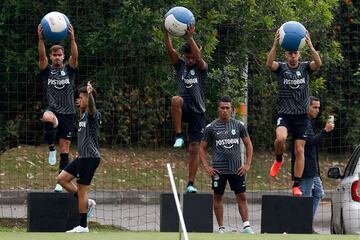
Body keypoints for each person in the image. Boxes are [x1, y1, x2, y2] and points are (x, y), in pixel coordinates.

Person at [266, 29, 322, 196]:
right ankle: (278, 159)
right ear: (286, 55)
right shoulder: (281, 69)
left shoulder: (305, 68)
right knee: (280, 139)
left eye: (295, 53)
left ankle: (296, 185)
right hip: (285, 114)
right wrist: (275, 45)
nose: (293, 56)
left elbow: (318, 64)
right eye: (290, 53)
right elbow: (269, 64)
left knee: (299, 150)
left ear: (299, 54)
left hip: (301, 117)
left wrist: (311, 46)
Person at [199, 96, 254, 234]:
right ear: (218, 109)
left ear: (232, 110)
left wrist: (247, 164)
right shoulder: (211, 127)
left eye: (227, 108)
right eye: (222, 108)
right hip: (218, 170)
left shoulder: (239, 125)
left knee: (242, 196)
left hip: (237, 169)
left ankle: (246, 226)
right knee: (218, 197)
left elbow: (249, 145)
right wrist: (206, 166)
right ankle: (221, 228)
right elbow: (201, 148)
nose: (224, 110)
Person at [164, 24, 208, 193]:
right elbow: (170, 51)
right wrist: (166, 33)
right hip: (185, 108)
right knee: (176, 99)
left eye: (192, 57)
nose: (190, 60)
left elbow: (198, 56)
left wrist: (190, 37)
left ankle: (190, 184)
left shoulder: (201, 68)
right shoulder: (180, 66)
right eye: (187, 57)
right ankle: (179, 135)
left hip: (198, 112)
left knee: (194, 148)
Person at [37, 23, 78, 192]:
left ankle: (60, 182)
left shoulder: (69, 70)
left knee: (65, 149)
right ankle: (50, 148)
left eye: (59, 55)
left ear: (63, 56)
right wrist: (40, 39)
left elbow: (74, 57)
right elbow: (41, 58)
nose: (56, 58)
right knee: (46, 117)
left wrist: (72, 38)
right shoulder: (47, 71)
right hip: (53, 110)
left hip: (68, 113)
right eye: (54, 55)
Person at [57, 82, 101, 233]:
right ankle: (87, 202)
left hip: (90, 158)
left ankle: (83, 226)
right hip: (82, 157)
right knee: (61, 179)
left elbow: (92, 108)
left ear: (89, 99)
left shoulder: (93, 115)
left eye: (81, 98)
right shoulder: (82, 116)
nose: (79, 100)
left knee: (82, 190)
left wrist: (89, 95)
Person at [291, 96, 334, 232]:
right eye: (314, 107)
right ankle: (302, 226)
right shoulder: (304, 122)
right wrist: (325, 131)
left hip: (312, 167)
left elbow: (311, 147)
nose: (317, 110)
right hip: (305, 167)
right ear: (307, 107)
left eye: (318, 108)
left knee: (319, 193)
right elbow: (310, 142)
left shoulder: (309, 122)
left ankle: (306, 223)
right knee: (305, 197)